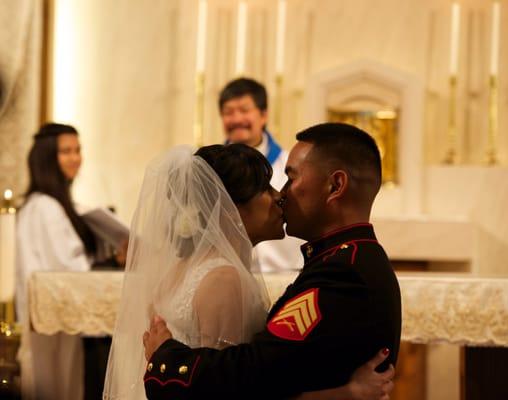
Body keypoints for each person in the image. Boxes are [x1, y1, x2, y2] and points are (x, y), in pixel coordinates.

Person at [104, 143, 394, 400]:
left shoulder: (183, 269)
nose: (279, 195)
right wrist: (343, 394)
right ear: (230, 209)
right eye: (266, 188)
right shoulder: (223, 279)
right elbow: (233, 388)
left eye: (286, 180)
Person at [16, 123, 125, 400]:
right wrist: (114, 261)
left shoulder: (51, 205)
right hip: (54, 326)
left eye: (78, 150)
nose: (75, 158)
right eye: (66, 151)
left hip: (54, 322)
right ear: (46, 157)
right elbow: (69, 271)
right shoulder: (45, 207)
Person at [219, 77, 303, 273]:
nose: (237, 119)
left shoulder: (290, 166)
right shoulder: (209, 170)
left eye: (245, 110)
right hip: (228, 275)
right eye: (228, 112)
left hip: (285, 275)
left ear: (263, 115)